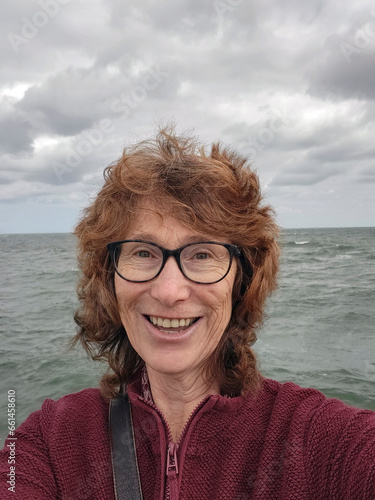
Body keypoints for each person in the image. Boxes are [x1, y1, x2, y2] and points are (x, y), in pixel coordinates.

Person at [1, 126, 374, 499]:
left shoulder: (320, 440)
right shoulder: (47, 443)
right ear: (110, 278)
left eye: (202, 255)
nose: (169, 292)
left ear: (242, 280)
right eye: (143, 253)